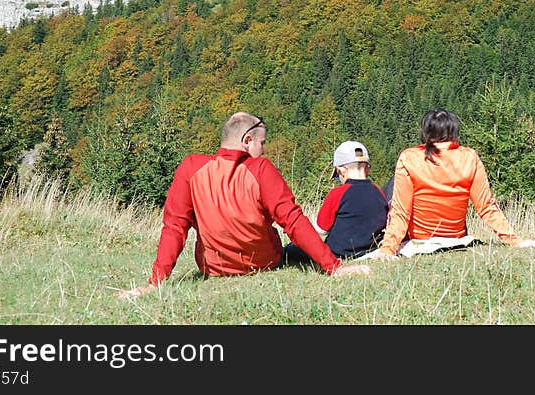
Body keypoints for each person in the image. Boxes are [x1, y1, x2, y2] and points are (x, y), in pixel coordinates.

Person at [118, 112, 370, 299]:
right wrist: (333, 268)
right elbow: (292, 221)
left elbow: (174, 227)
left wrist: (156, 282)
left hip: (212, 269)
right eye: (262, 143)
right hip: (264, 263)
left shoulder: (191, 168)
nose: (263, 149)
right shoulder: (261, 169)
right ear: (247, 140)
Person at [372, 109, 535, 261]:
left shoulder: (409, 158)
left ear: (425, 133)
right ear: (454, 133)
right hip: (456, 238)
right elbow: (486, 206)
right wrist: (513, 239)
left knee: (390, 189)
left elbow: (401, 211)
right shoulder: (470, 157)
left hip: (419, 238)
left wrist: (388, 248)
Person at [282, 140, 389, 265]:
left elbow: (320, 230)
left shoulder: (338, 194)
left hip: (338, 253)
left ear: (341, 170)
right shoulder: (379, 191)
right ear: (367, 169)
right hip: (369, 249)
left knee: (290, 250)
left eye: (337, 175)